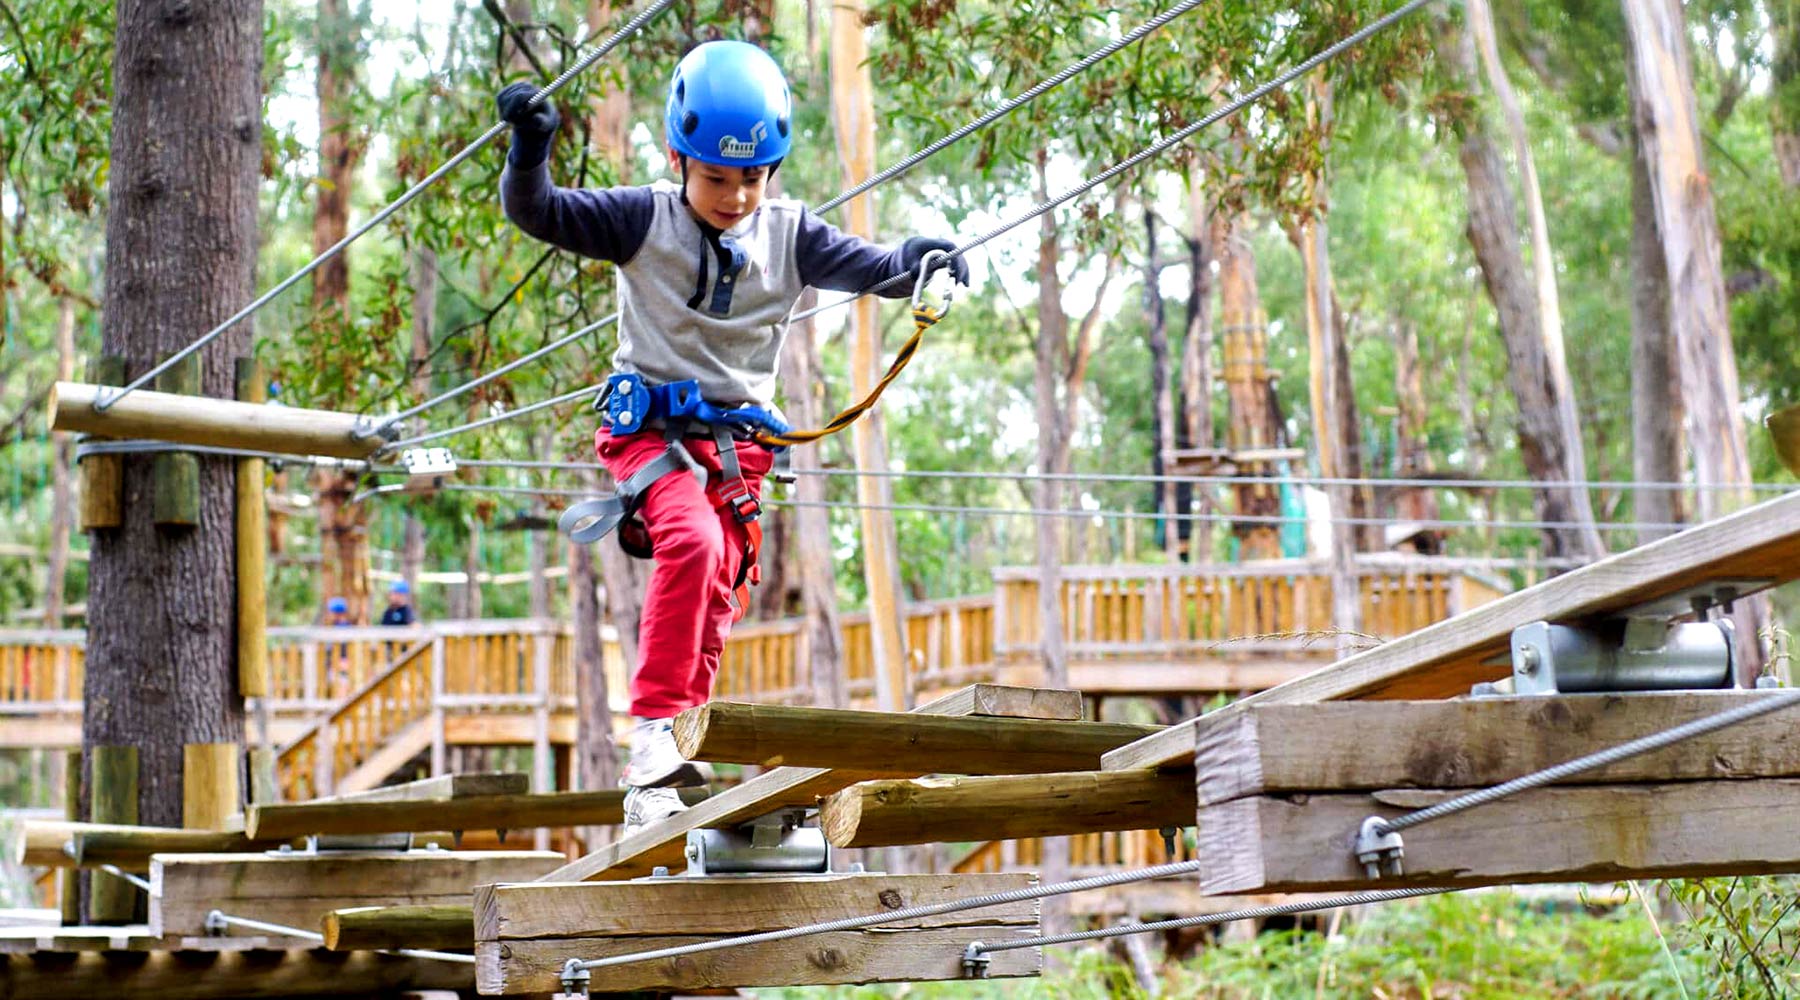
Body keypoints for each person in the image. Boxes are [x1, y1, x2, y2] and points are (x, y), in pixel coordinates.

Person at [498, 40, 967, 833]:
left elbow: (878, 267)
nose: (736, 196)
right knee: (692, 546)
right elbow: (538, 211)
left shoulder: (792, 236)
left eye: (752, 177)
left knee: (720, 591)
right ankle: (651, 737)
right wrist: (531, 149)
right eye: (716, 176)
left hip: (740, 450)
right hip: (652, 431)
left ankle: (679, 748)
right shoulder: (640, 219)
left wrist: (923, 262)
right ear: (680, 158)